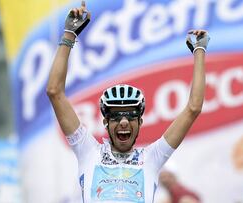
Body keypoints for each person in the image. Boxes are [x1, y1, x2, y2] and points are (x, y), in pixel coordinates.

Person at [46, 1, 210, 202]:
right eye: (115, 116)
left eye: (131, 115)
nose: (123, 121)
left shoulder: (152, 158)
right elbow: (55, 92)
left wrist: (199, 51)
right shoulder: (88, 151)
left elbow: (193, 108)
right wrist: (69, 34)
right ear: (106, 122)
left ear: (140, 122)